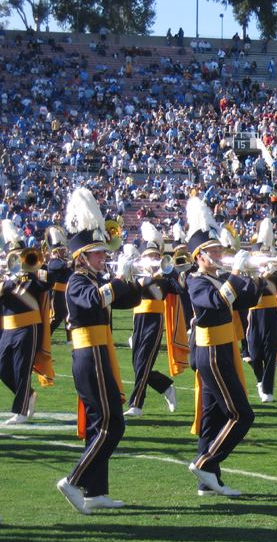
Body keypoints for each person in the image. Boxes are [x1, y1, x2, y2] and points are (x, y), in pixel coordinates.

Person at [56, 188, 144, 515]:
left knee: (98, 424)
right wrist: (119, 278)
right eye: (97, 254)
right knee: (113, 424)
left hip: (97, 355)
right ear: (82, 257)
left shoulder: (96, 278)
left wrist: (134, 280)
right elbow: (96, 300)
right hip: (88, 356)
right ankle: (74, 480)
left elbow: (127, 301)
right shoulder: (78, 281)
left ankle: (95, 491)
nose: (103, 257)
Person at [185, 197, 260, 496]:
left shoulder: (218, 279)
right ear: (199, 256)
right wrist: (236, 275)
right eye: (213, 251)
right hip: (211, 354)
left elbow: (249, 299)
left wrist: (258, 276)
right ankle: (205, 462)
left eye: (219, 249)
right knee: (242, 415)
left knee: (213, 419)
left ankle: (208, 482)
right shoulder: (196, 281)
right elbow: (216, 303)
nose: (219, 254)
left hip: (223, 351)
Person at [123, 223, 185, 417]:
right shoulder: (137, 275)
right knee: (139, 365)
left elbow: (181, 288)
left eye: (156, 256)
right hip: (137, 320)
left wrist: (170, 268)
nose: (153, 259)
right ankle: (166, 386)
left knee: (143, 362)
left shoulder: (165, 279)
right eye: (150, 256)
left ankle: (136, 405)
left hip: (154, 321)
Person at [0, 220, 54, 425]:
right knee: (3, 368)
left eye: (20, 254)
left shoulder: (34, 273)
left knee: (22, 368)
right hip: (7, 328)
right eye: (13, 255)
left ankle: (21, 411)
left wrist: (35, 267)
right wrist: (9, 281)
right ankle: (28, 395)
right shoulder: (4, 276)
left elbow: (49, 281)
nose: (17, 258)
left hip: (28, 326)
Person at [246, 219, 277, 403]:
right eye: (260, 256)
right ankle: (259, 379)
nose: (265, 259)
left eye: (266, 255)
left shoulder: (275, 271)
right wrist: (263, 275)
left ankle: (268, 389)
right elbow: (249, 290)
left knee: (271, 354)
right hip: (254, 313)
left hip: (272, 312)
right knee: (254, 355)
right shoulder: (248, 272)